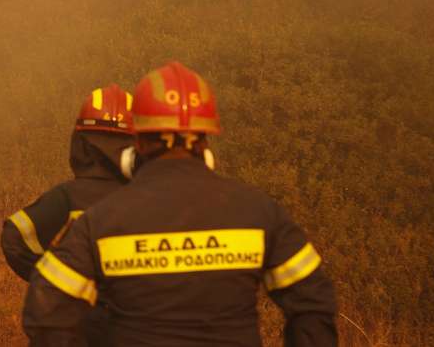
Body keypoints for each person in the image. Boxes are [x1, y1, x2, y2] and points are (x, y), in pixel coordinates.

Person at [22, 61, 338, 347]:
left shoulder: (100, 221)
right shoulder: (259, 212)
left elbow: (47, 309)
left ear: (137, 145)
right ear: (206, 141)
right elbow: (314, 303)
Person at [2, 85, 136, 345]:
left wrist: (49, 277)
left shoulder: (66, 198)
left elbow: (14, 236)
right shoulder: (149, 200)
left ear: (80, 144)